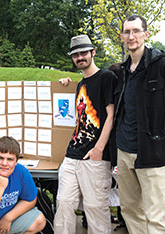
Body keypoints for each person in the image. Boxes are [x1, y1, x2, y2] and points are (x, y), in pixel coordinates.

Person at [115, 15, 165, 234]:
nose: (131, 36)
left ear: (146, 34)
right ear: (122, 37)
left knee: (155, 215)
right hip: (124, 149)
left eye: (136, 31)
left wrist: (162, 124)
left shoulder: (163, 65)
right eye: (127, 32)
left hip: (152, 151)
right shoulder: (123, 71)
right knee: (130, 209)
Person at [54, 34, 116, 234]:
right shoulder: (80, 84)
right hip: (72, 154)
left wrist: (98, 149)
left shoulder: (107, 77)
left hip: (95, 156)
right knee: (63, 203)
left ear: (93, 52)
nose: (80, 57)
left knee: (95, 209)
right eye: (75, 55)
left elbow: (111, 115)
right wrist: (65, 85)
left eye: (83, 53)